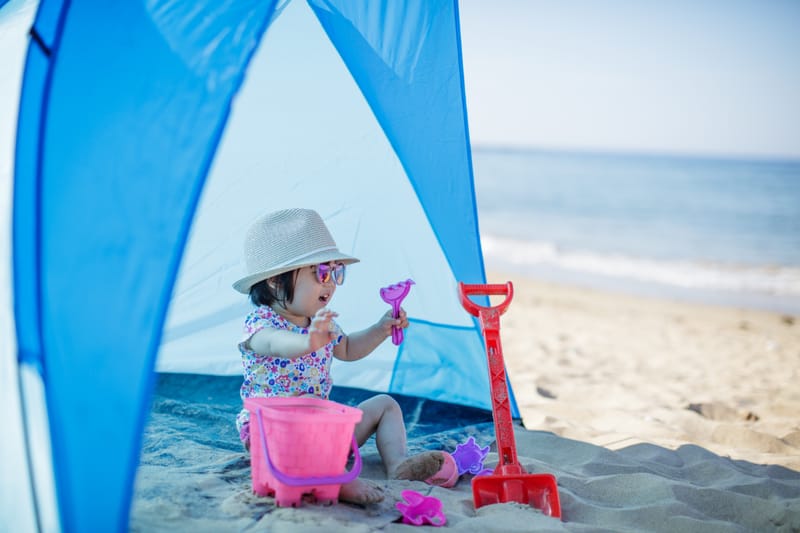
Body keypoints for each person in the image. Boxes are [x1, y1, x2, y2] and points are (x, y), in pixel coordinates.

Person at [233, 208, 445, 505]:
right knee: (304, 435)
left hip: (323, 433)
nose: (330, 282)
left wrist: (380, 329)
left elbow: (348, 349)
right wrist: (309, 341)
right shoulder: (261, 324)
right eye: (320, 273)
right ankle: (337, 480)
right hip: (274, 437)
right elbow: (278, 344)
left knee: (385, 405)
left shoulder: (322, 322)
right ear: (276, 281)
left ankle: (397, 464)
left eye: (335, 272)